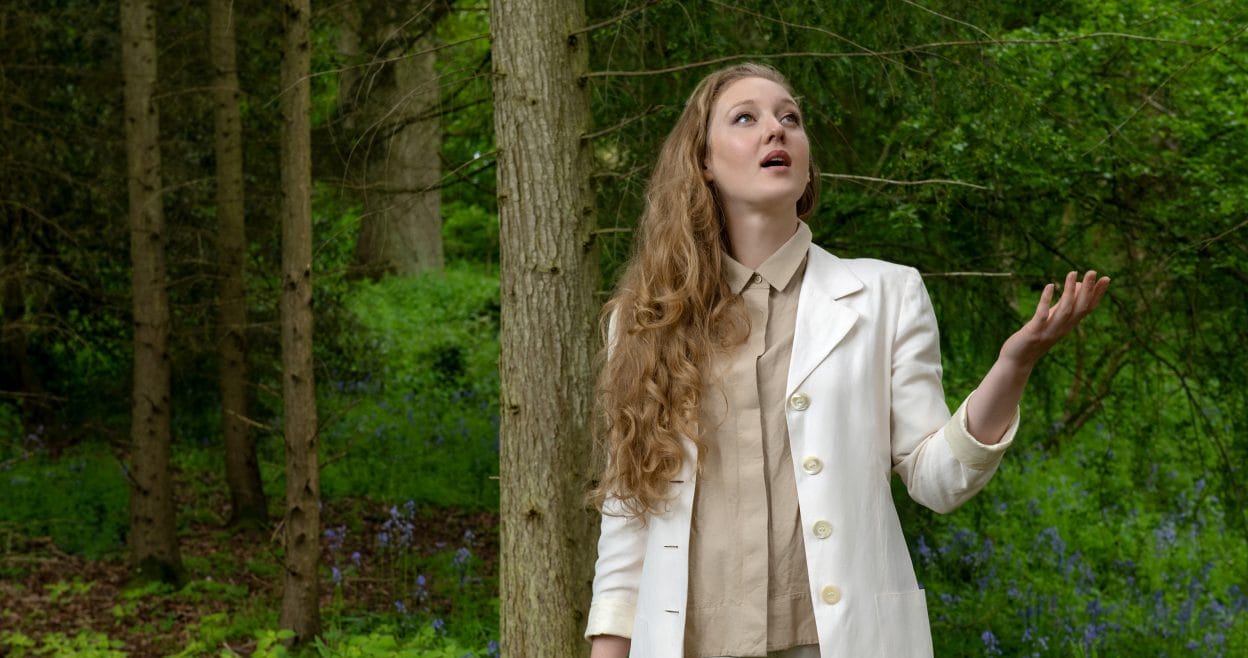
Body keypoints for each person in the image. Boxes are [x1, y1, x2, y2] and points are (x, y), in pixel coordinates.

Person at [584, 63, 1110, 658]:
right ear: (702, 162)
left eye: (791, 118)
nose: (776, 131)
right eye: (745, 118)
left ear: (807, 163)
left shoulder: (888, 295)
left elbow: (938, 480)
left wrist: (1013, 365)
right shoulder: (646, 319)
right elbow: (631, 510)